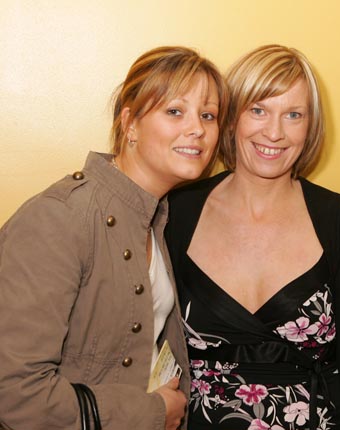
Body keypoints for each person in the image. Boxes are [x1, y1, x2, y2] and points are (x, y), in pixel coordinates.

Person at [0, 46, 227, 430]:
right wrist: (154, 413)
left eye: (208, 115)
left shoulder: (158, 217)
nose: (198, 128)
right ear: (130, 123)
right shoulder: (60, 216)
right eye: (175, 111)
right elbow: (14, 394)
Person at [166, 44, 340, 430]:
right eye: (259, 109)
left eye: (294, 115)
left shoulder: (339, 220)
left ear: (311, 126)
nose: (275, 131)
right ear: (231, 117)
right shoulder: (178, 211)